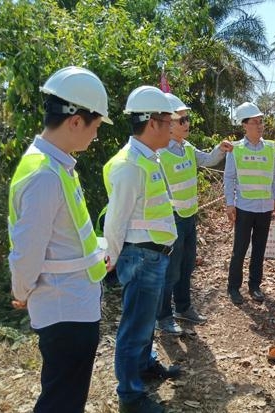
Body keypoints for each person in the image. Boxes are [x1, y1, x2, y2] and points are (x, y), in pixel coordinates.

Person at [8, 66, 111, 413]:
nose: (95, 136)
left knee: (65, 397)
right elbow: (28, 251)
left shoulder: (57, 167)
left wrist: (100, 250)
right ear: (76, 121)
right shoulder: (45, 176)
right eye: (96, 127)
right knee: (61, 402)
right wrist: (20, 292)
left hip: (73, 303)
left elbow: (66, 237)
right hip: (65, 311)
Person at [103, 86, 179, 413]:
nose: (172, 127)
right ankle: (130, 396)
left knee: (144, 324)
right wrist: (110, 260)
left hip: (154, 255)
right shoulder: (131, 164)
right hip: (142, 256)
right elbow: (116, 221)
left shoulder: (149, 158)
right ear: (151, 123)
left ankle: (144, 367)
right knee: (134, 329)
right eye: (168, 121)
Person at [156, 93, 233, 334]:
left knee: (186, 266)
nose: (187, 124)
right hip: (172, 219)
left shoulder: (187, 148)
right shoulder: (159, 154)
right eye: (182, 120)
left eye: (187, 119)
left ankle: (183, 307)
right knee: (171, 269)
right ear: (168, 124)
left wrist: (220, 149)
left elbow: (208, 159)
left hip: (190, 216)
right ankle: (163, 316)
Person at [224, 102, 275, 305]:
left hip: (264, 207)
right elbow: (229, 178)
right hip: (244, 207)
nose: (260, 125)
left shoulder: (270, 147)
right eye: (255, 122)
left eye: (261, 121)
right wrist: (230, 203)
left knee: (259, 248)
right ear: (244, 125)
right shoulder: (235, 149)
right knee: (239, 248)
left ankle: (254, 286)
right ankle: (233, 287)